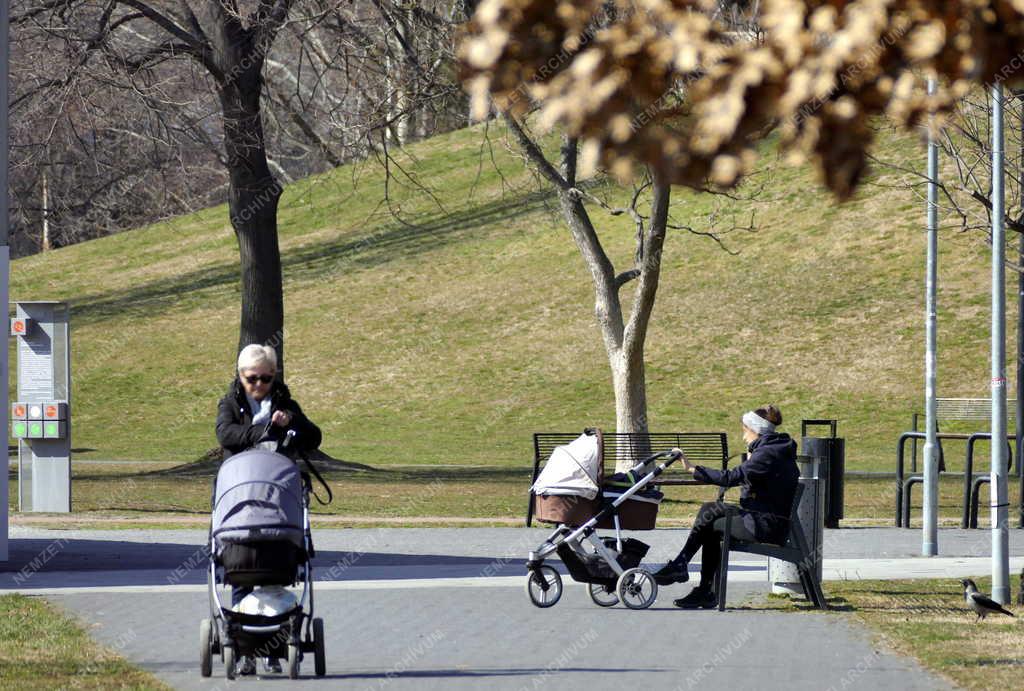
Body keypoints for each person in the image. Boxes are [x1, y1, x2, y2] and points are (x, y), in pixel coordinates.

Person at [214, 343, 322, 674]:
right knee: (242, 566)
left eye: (266, 378)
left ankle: (275, 645)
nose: (259, 385)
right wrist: (265, 429)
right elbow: (226, 434)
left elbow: (314, 436)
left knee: (275, 568)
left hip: (277, 501)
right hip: (242, 495)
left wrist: (292, 423)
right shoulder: (230, 403)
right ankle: (244, 648)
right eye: (253, 379)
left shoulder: (285, 401)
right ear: (241, 376)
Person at [653, 405, 799, 609]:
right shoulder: (776, 449)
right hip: (766, 520)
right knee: (711, 518)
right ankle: (697, 582)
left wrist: (692, 468)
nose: (743, 437)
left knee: (709, 513)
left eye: (744, 431)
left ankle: (688, 572)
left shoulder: (767, 455)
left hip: (765, 526)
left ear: (755, 430)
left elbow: (730, 478)